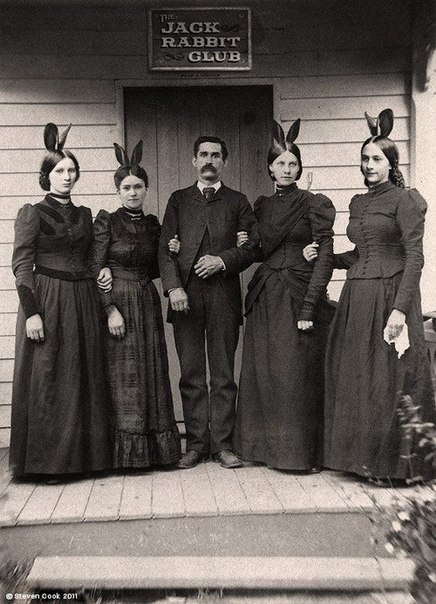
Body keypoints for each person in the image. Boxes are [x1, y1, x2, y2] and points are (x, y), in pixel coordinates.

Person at [305, 108, 435, 481]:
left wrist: (400, 311)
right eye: (365, 158)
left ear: (391, 163)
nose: (369, 165)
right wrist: (325, 257)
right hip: (357, 299)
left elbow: (414, 258)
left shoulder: (405, 200)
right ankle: (359, 461)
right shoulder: (359, 203)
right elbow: (360, 254)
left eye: (376, 159)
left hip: (390, 296)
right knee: (358, 375)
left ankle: (394, 466)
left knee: (387, 377)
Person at [10, 123, 112, 480]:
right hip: (48, 300)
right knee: (50, 376)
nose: (66, 177)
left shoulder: (85, 214)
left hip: (82, 300)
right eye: (59, 171)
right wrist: (32, 313)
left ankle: (86, 460)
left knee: (82, 373)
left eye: (71, 170)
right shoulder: (32, 213)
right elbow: (22, 265)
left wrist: (104, 272)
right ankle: (49, 464)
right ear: (47, 176)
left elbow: (93, 258)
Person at [233, 119, 336, 470]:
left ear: (300, 168)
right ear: (270, 168)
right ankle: (265, 451)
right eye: (280, 163)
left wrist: (309, 304)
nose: (287, 169)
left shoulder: (314, 203)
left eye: (293, 163)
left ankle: (298, 455)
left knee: (295, 374)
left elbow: (324, 255)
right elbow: (262, 252)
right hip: (266, 294)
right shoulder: (261, 206)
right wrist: (246, 243)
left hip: (297, 293)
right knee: (266, 373)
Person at [158, 136, 259, 469]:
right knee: (191, 373)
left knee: (223, 373)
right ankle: (196, 444)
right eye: (203, 154)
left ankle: (223, 445)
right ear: (194, 160)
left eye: (216, 155)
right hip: (185, 296)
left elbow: (252, 247)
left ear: (224, 162)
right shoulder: (178, 200)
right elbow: (164, 248)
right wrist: (174, 288)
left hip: (223, 295)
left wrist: (222, 260)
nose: (209, 160)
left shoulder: (237, 201)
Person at [90, 141, 181, 470]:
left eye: (138, 187)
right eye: (126, 188)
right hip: (119, 302)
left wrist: (171, 250)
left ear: (146, 189)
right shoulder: (107, 222)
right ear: (118, 191)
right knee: (124, 375)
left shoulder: (153, 225)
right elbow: (94, 266)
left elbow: (157, 268)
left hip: (146, 300)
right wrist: (109, 308)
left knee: (152, 371)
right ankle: (125, 456)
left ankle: (156, 453)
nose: (133, 193)